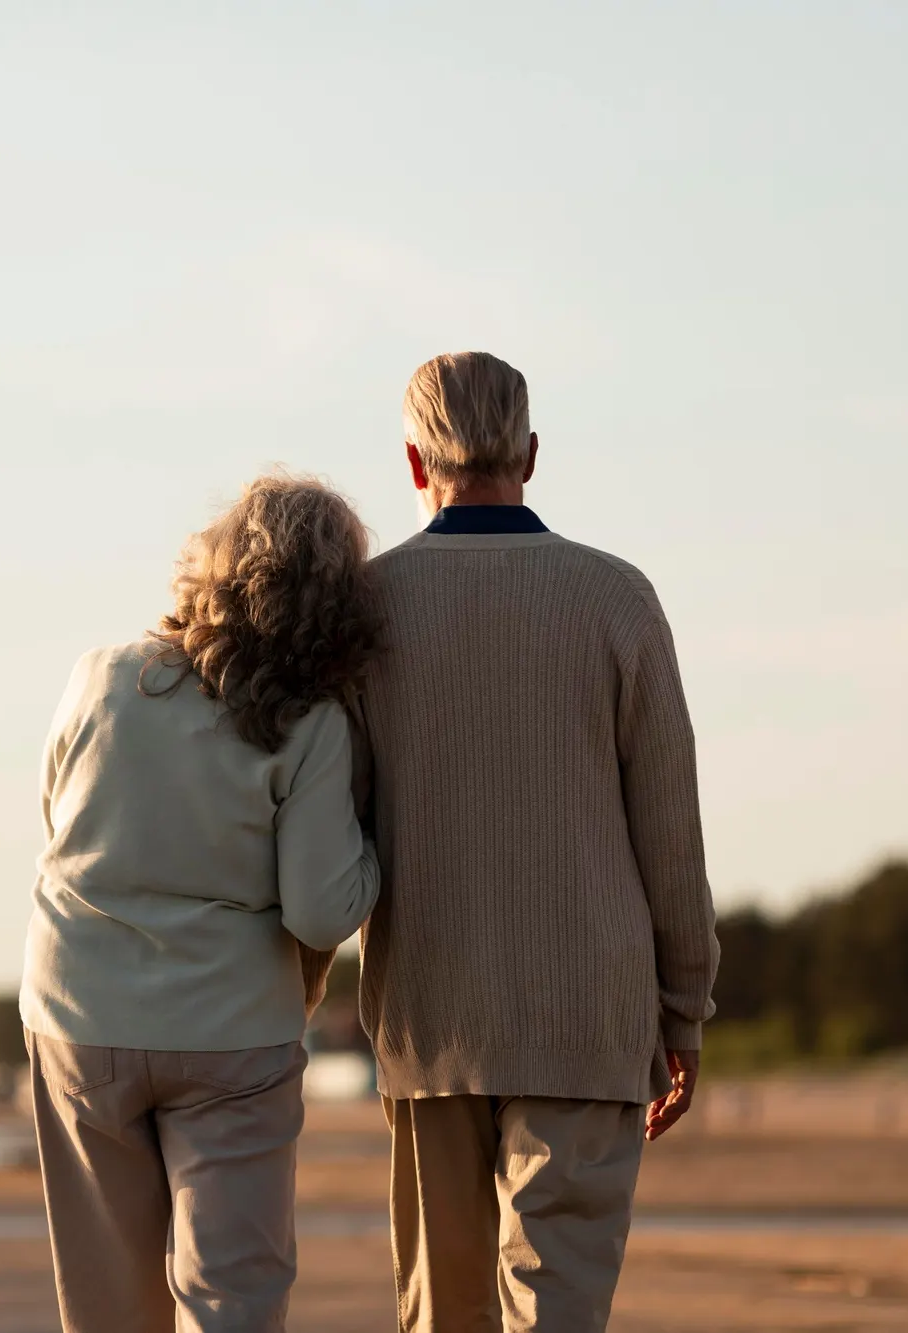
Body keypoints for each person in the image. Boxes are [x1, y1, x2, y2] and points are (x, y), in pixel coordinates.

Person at [358, 352, 720, 1331]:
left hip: (429, 1017)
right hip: (585, 1016)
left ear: (410, 461)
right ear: (528, 452)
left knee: (445, 1314)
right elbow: (668, 831)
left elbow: (329, 827)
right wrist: (681, 1009)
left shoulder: (364, 609)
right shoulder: (615, 599)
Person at [19, 474, 382, 1333]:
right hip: (231, 1031)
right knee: (233, 1298)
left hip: (81, 1014)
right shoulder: (312, 722)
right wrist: (377, 851)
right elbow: (322, 913)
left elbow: (56, 817)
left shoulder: (100, 678)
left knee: (107, 1303)